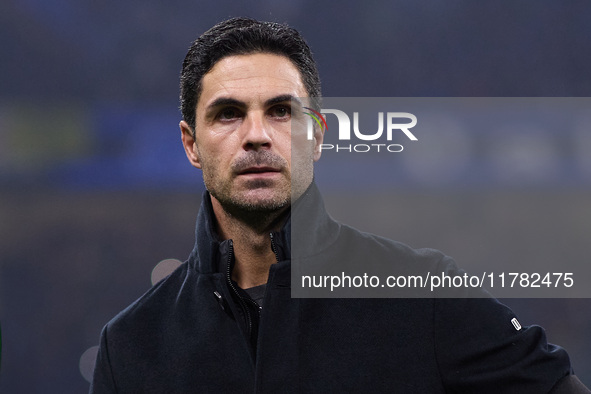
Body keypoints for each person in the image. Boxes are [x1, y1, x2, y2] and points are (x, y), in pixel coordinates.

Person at [90, 17, 589, 393]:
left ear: (318, 135)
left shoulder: (425, 294)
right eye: (228, 114)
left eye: (281, 111)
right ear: (191, 144)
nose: (257, 135)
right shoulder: (131, 346)